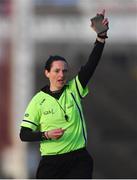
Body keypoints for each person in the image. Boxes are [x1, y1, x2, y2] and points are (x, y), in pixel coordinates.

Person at [19, 9, 109, 179]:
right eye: (57, 71)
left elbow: (91, 65)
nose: (61, 75)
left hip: (78, 159)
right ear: (47, 73)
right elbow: (24, 134)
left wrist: (101, 38)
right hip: (51, 162)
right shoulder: (38, 101)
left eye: (64, 71)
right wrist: (46, 135)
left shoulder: (74, 88)